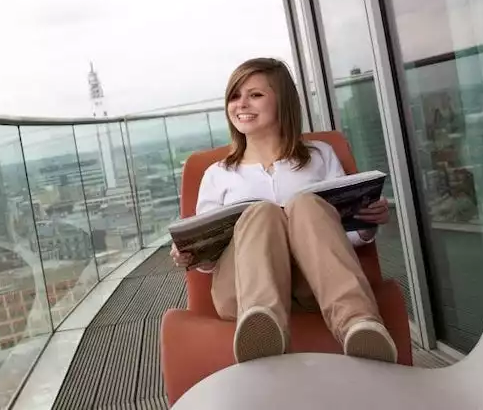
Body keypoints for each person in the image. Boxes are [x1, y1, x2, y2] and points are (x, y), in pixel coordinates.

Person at [170, 58, 397, 364]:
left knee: (306, 205)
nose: (241, 104)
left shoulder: (320, 156)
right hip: (242, 293)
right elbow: (211, 264)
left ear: (283, 101)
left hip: (314, 285)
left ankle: (359, 324)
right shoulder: (217, 174)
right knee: (261, 213)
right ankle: (262, 326)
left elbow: (347, 236)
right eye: (234, 96)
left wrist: (368, 224)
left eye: (255, 95)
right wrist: (191, 255)